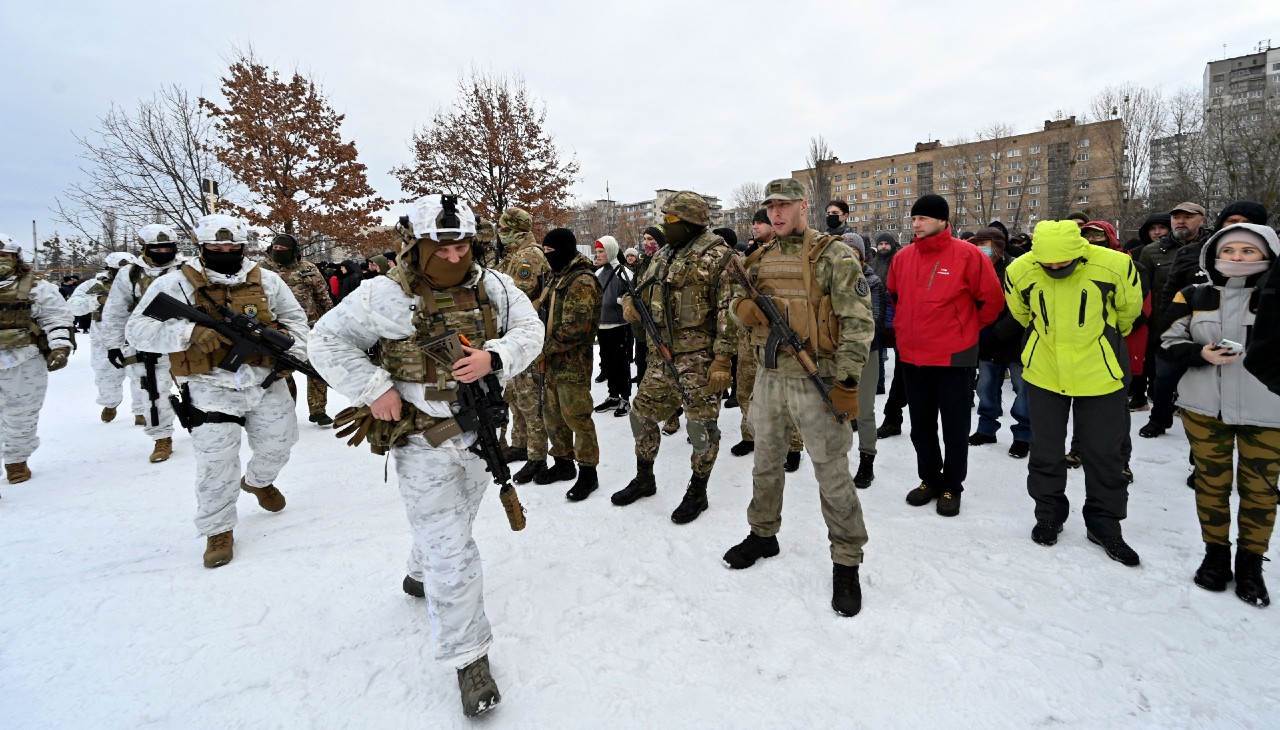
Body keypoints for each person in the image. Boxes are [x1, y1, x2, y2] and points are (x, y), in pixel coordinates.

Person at [310, 194, 543, 717]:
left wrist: (495, 356)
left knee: (456, 523)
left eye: (463, 244)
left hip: (479, 432)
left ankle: (419, 572)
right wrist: (374, 387)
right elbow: (325, 341)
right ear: (415, 245)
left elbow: (531, 330)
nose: (456, 256)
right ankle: (469, 657)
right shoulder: (382, 296)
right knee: (452, 551)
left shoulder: (495, 286)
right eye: (442, 246)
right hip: (421, 441)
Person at [721, 178, 873, 618]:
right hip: (769, 378)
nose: (776, 214)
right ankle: (763, 534)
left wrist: (846, 382)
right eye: (771, 207)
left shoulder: (833, 256)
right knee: (765, 461)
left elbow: (858, 322)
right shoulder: (761, 256)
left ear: (804, 206)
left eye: (784, 205)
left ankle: (846, 559)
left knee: (831, 471)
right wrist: (741, 310)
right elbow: (734, 301)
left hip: (817, 379)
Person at [126, 214, 309, 569]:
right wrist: (187, 334)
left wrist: (293, 354)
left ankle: (258, 482)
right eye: (216, 246)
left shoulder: (267, 280)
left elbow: (298, 323)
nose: (225, 251)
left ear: (243, 246)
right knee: (216, 462)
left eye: (232, 246)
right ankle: (218, 529)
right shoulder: (175, 283)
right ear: (202, 247)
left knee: (279, 445)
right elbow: (138, 328)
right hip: (209, 385)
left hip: (265, 379)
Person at [1004, 221, 1143, 566]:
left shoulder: (1114, 264)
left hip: (1100, 373)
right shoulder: (1019, 270)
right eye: (1046, 263)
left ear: (1079, 252)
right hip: (1044, 373)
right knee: (1046, 450)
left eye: (1061, 263)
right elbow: (1022, 314)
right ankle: (1048, 515)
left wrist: (1099, 340)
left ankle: (1105, 524)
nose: (1053, 268)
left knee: (1104, 454)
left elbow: (1129, 313)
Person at [1162, 222, 1279, 607]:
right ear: (1215, 254)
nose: (1237, 258)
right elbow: (1167, 340)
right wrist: (1200, 354)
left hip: (1266, 411)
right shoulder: (1194, 295)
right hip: (1203, 407)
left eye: (1248, 251)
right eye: (1229, 251)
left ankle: (1250, 564)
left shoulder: (1274, 296)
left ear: (1267, 255)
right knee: (1212, 485)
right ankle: (1215, 555)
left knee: (1259, 491)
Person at [616, 191, 735, 524]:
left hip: (699, 361)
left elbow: (731, 312)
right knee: (641, 415)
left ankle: (698, 491)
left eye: (669, 221)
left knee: (700, 428)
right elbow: (638, 289)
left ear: (690, 223)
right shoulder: (664, 254)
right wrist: (629, 303)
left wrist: (723, 360)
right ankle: (645, 477)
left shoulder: (720, 257)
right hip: (661, 356)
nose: (663, 226)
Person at [890, 194, 1003, 516]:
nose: (916, 224)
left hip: (954, 356)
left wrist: (965, 329)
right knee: (921, 426)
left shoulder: (968, 255)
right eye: (913, 219)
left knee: (954, 427)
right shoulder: (903, 257)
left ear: (942, 220)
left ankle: (952, 486)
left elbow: (992, 301)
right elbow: (896, 296)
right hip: (913, 356)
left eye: (922, 218)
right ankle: (929, 479)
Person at [98, 224, 185, 463]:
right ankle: (162, 438)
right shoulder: (131, 274)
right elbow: (116, 311)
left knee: (197, 389)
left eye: (168, 247)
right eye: (157, 248)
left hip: (185, 340)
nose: (163, 251)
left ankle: (203, 429)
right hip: (148, 343)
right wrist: (114, 344)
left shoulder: (187, 269)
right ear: (145, 248)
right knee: (153, 393)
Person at [0, 234, 74, 486]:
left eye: (4, 256)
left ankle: (16, 461)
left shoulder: (37, 287)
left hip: (24, 361)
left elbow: (56, 318)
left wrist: (60, 346)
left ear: (15, 257)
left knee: (22, 415)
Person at [537, 228, 603, 499]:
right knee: (552, 414)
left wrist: (542, 350)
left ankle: (588, 472)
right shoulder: (558, 276)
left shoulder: (582, 281)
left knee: (577, 416)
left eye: (550, 252)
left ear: (564, 250)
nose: (546, 256)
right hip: (552, 360)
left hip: (572, 361)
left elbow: (576, 329)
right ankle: (563, 464)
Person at [1138, 202, 1211, 438]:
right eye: (1176, 217)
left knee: (1206, 379)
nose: (1180, 221)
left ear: (1202, 219)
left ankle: (1206, 426)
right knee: (1163, 378)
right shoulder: (1151, 251)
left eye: (1187, 217)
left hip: (1207, 326)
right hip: (1167, 325)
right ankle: (1159, 419)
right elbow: (1144, 290)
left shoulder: (1215, 247)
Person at [493, 207, 552, 482]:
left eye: (504, 230)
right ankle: (520, 444)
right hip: (511, 338)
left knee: (530, 401)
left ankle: (537, 456)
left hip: (525, 339)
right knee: (515, 397)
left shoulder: (529, 257)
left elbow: (516, 297)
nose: (500, 234)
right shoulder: (514, 256)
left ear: (517, 230)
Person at [966, 227, 1031, 458]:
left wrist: (998, 332)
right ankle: (986, 429)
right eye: (978, 243)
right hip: (985, 340)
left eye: (985, 243)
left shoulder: (1017, 267)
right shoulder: (975, 268)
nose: (981, 248)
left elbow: (1022, 307)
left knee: (1022, 390)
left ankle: (1023, 435)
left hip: (1014, 342)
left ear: (998, 245)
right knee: (985, 388)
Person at [261, 233, 336, 425]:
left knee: (316, 370)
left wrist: (332, 321)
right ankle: (287, 410)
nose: (279, 253)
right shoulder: (262, 270)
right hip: (277, 330)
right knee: (281, 374)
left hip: (310, 328)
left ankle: (318, 410)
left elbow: (323, 297)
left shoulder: (308, 269)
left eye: (283, 250)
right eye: (276, 249)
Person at [67, 252, 138, 424]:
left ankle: (141, 410)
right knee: (106, 376)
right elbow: (73, 306)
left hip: (135, 338)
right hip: (104, 340)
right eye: (119, 269)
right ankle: (110, 403)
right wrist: (98, 300)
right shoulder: (96, 285)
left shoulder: (140, 283)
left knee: (141, 376)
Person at [845, 232, 886, 487]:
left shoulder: (871, 282)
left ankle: (866, 461)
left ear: (861, 255)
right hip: (835, 354)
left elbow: (876, 319)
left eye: (852, 253)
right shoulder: (828, 278)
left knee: (864, 410)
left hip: (865, 353)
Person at [592, 235, 633, 417]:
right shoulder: (599, 272)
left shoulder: (624, 272)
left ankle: (625, 398)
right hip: (602, 326)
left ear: (609, 251)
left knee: (621, 364)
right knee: (608, 363)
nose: (597, 255)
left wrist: (617, 300)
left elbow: (631, 298)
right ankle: (613, 396)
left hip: (619, 326)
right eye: (597, 251)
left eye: (601, 251)